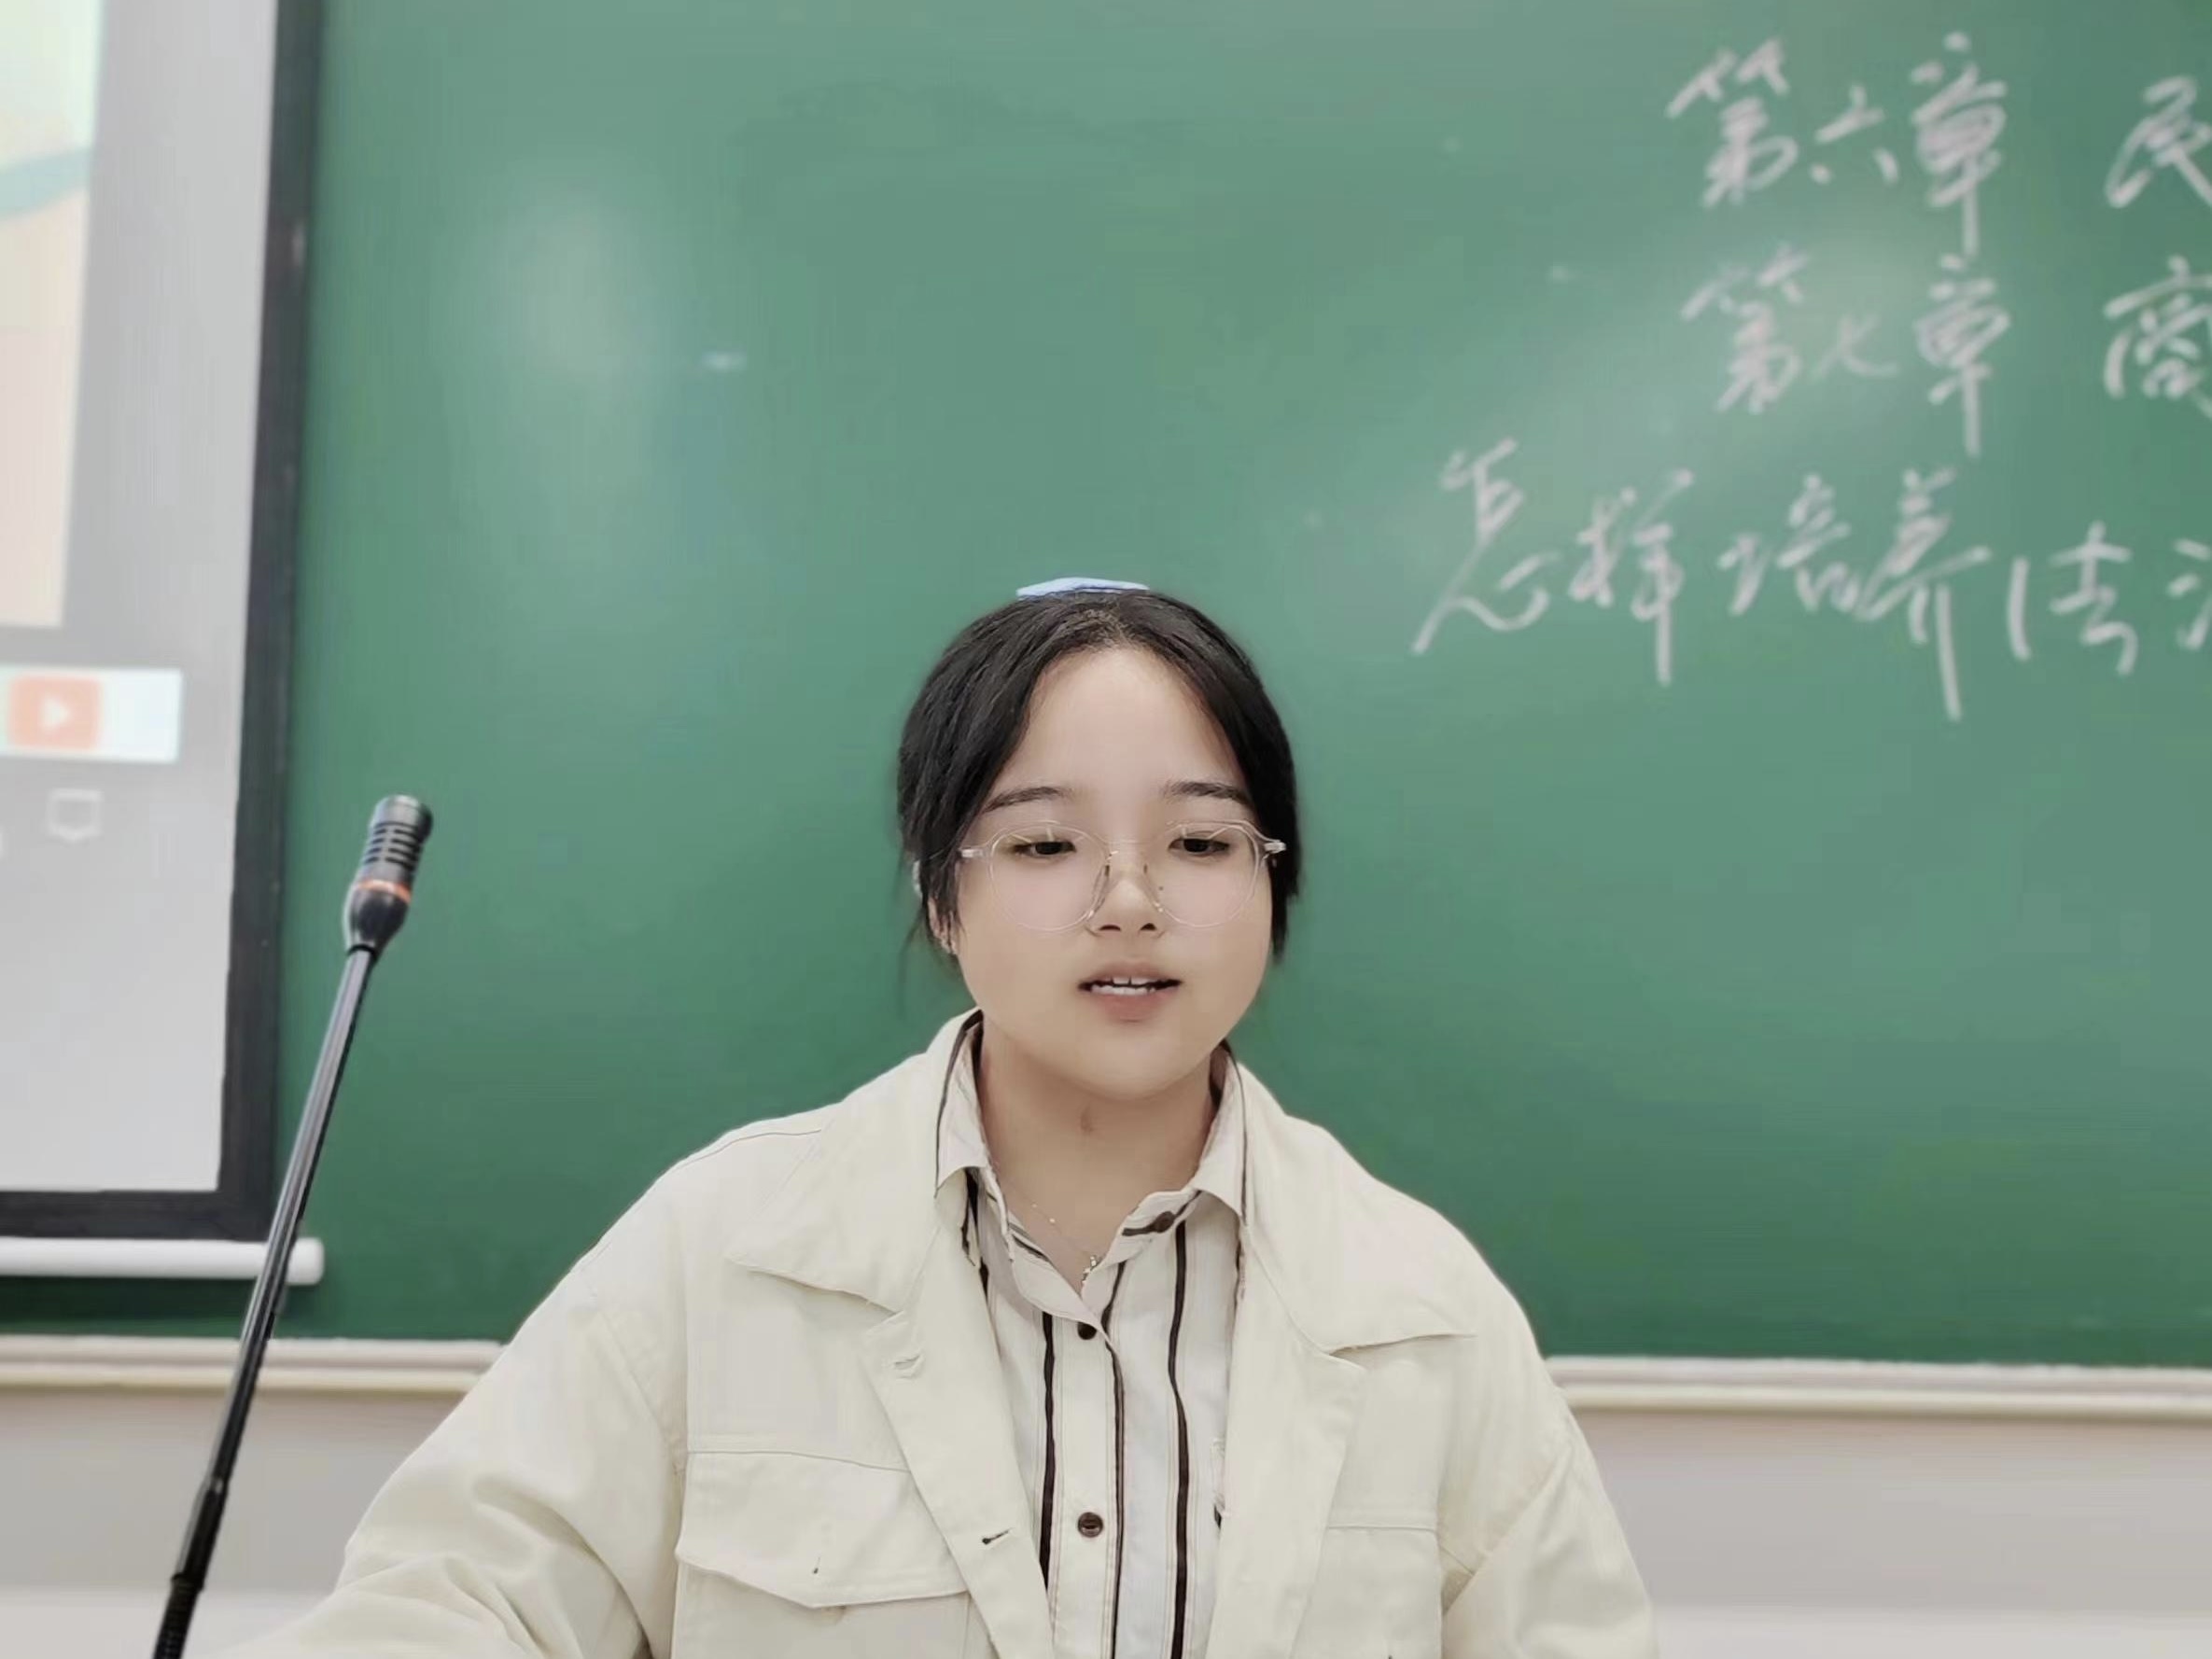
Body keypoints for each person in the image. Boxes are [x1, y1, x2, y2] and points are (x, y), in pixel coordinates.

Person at [229, 581, 1656, 1659]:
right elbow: (451, 1600)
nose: (1128, 900)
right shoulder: (725, 1246)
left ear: (1270, 885)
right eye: (1042, 841)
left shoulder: (1420, 1309)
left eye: (1199, 840)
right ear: (940, 893)